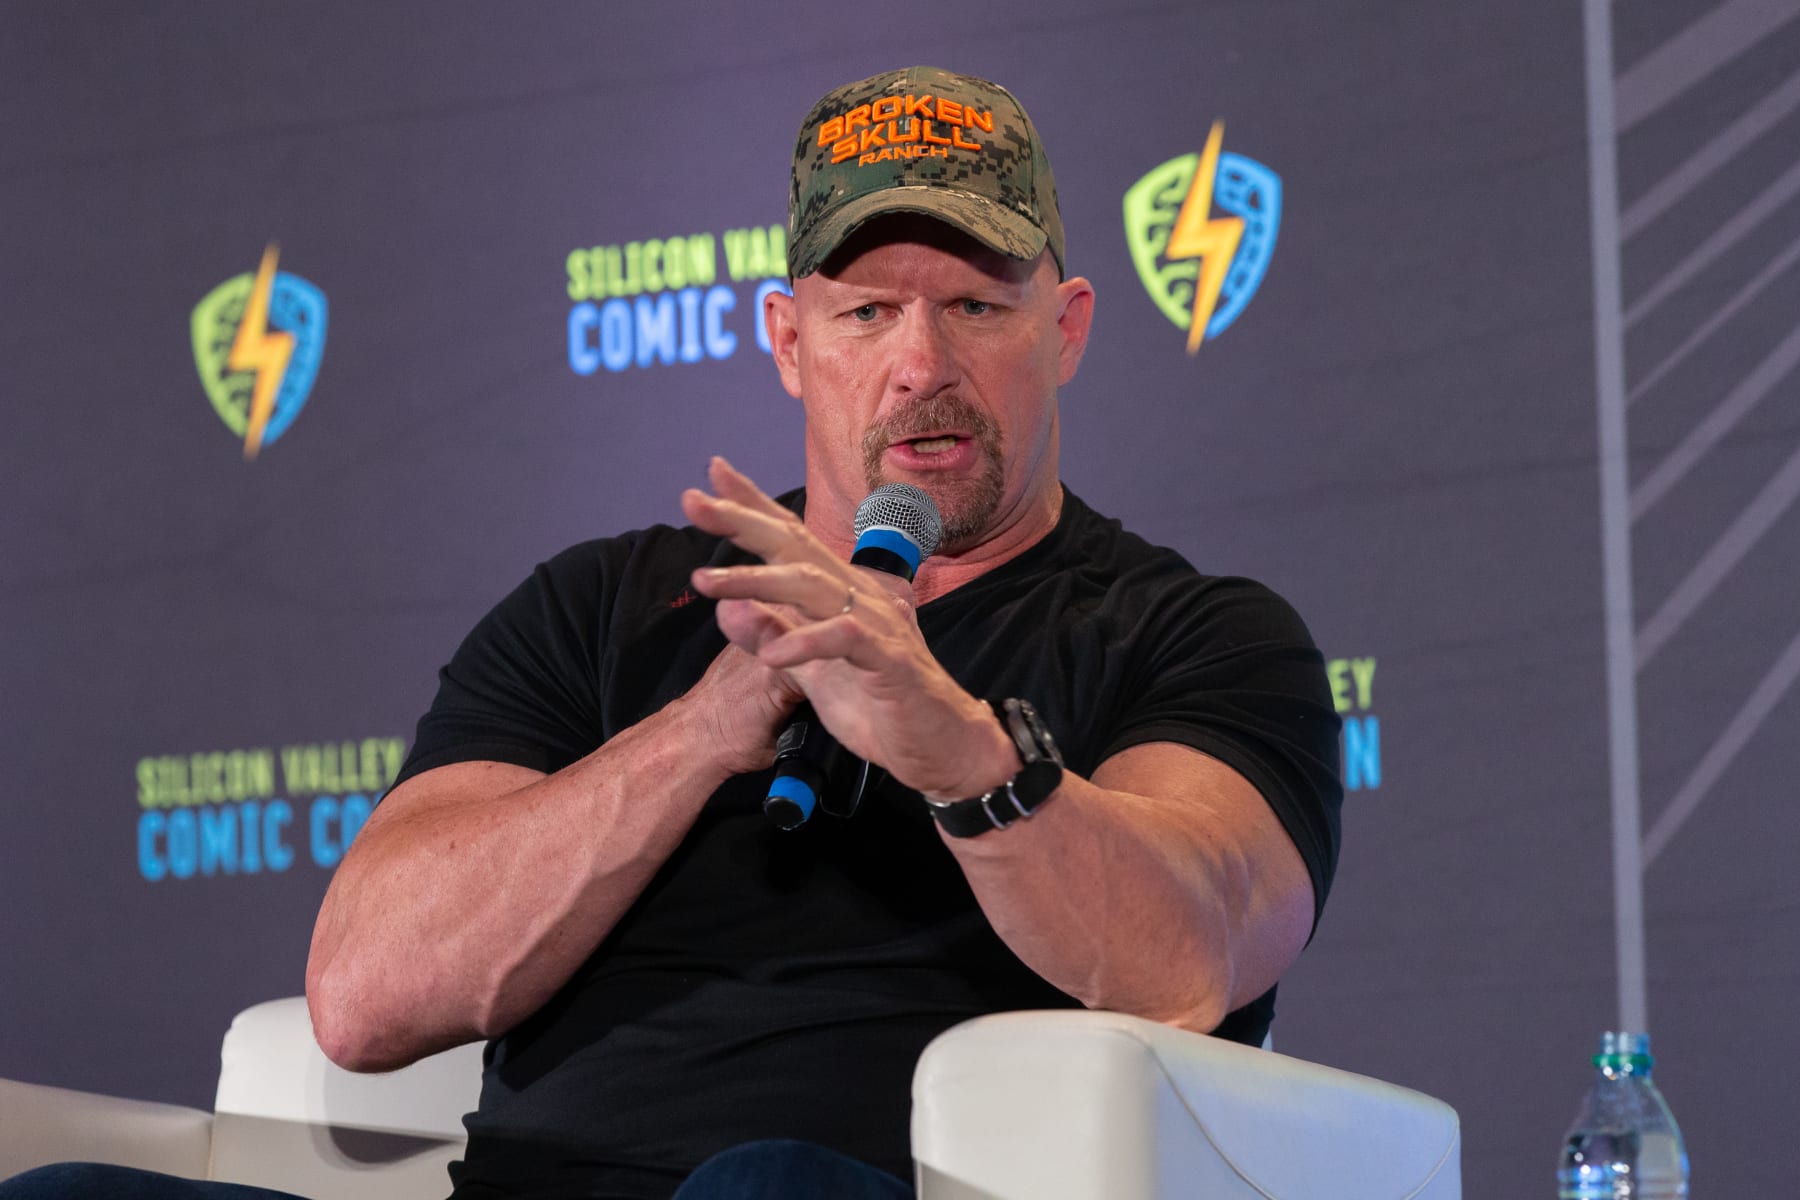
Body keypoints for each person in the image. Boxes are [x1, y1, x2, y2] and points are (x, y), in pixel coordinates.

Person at [0, 66, 1340, 1200]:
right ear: (786, 341)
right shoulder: (604, 607)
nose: (922, 361)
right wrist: (708, 725)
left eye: (978, 306)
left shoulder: (1193, 633)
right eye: (866, 310)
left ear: (1070, 330)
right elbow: (366, 995)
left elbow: (1186, 963)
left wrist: (961, 753)